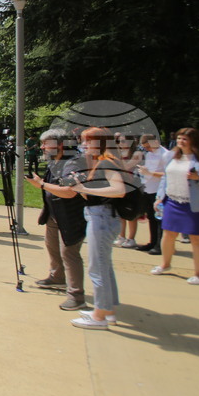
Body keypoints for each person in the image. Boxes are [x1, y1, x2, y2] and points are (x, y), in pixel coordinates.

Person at [61, 127, 128, 329]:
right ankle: (107, 311)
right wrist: (80, 187)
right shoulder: (103, 160)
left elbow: (119, 190)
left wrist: (84, 188)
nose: (84, 145)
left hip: (102, 217)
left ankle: (99, 316)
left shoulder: (107, 161)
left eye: (87, 141)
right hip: (101, 215)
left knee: (97, 268)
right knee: (104, 267)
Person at [24, 129, 88, 311]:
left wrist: (42, 184)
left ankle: (76, 296)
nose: (42, 147)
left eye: (46, 144)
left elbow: (69, 192)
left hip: (70, 217)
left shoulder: (73, 162)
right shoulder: (56, 162)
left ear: (60, 145)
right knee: (51, 245)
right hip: (54, 214)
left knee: (69, 254)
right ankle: (57, 277)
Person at [151, 127, 199, 285]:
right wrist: (159, 197)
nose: (180, 142)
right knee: (168, 235)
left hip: (195, 203)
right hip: (172, 201)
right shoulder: (171, 155)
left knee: (196, 239)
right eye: (179, 138)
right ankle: (165, 264)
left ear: (194, 141)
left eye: (184, 139)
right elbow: (165, 177)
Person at [135, 134, 168, 254]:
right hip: (148, 189)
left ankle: (160, 245)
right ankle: (152, 242)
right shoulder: (149, 154)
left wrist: (149, 172)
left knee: (159, 219)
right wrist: (144, 171)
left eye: (148, 146)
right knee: (151, 218)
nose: (147, 149)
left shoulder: (165, 154)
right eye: (145, 147)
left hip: (159, 191)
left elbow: (167, 174)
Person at [113, 138, 143, 248]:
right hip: (120, 185)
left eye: (123, 141)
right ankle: (121, 237)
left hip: (132, 186)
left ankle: (131, 238)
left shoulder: (136, 153)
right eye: (118, 141)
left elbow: (126, 167)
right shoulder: (118, 153)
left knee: (131, 214)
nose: (120, 143)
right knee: (121, 213)